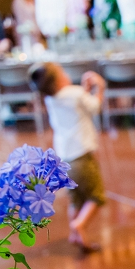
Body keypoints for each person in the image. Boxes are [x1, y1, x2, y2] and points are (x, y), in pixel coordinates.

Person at [29, 62, 106, 253]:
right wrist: (100, 87)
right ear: (59, 80)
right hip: (82, 156)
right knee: (96, 197)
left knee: (76, 200)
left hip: (63, 159)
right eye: (62, 71)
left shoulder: (50, 99)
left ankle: (75, 235)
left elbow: (76, 104)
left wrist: (84, 90)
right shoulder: (75, 93)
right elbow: (94, 107)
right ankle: (79, 224)